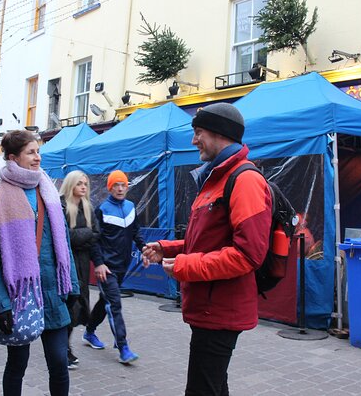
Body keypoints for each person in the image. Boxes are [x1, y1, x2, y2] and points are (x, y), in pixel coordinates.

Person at [142, 103, 272, 396]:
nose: (193, 140)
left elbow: (248, 255)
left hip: (221, 311)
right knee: (213, 386)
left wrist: (186, 266)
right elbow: (205, 240)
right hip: (209, 308)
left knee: (202, 390)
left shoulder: (245, 180)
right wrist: (166, 248)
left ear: (219, 133)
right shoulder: (216, 177)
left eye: (198, 132)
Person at [0, 130, 79, 396]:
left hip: (52, 292)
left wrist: (72, 286)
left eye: (38, 152)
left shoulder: (47, 191)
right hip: (19, 295)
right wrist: (1, 304)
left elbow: (64, 244)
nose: (38, 158)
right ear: (12, 158)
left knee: (59, 362)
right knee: (17, 364)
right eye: (31, 152)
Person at [83, 170, 143, 364]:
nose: (119, 188)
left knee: (105, 301)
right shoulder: (101, 209)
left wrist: (145, 249)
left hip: (122, 267)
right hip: (106, 268)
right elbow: (94, 240)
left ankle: (89, 332)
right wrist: (99, 263)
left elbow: (136, 232)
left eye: (123, 185)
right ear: (110, 188)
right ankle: (123, 347)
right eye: (115, 185)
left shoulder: (131, 207)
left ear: (127, 187)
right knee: (115, 304)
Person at [59, 170, 100, 369]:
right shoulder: (61, 205)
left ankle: (63, 346)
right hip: (66, 264)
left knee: (79, 308)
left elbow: (96, 236)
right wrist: (85, 235)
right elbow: (65, 237)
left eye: (85, 183)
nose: (83, 187)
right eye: (79, 183)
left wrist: (80, 237)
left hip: (83, 265)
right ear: (70, 185)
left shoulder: (87, 208)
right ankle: (63, 349)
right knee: (69, 306)